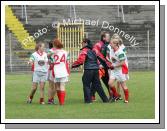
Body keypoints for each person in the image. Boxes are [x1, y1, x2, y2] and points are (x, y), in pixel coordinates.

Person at [72, 38, 109, 104]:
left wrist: (73, 65)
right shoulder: (94, 50)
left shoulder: (84, 50)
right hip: (96, 70)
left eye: (82, 43)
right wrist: (105, 65)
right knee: (98, 85)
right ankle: (105, 99)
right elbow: (99, 58)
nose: (82, 44)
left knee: (86, 85)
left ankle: (88, 101)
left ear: (86, 43)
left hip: (88, 70)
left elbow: (81, 60)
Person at [91, 32, 119, 101]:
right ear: (103, 38)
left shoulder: (109, 45)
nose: (109, 38)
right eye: (107, 36)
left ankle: (113, 95)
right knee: (96, 81)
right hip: (100, 67)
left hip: (106, 66)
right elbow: (95, 55)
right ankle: (92, 96)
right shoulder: (98, 45)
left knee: (107, 82)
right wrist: (98, 64)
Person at [48, 38, 70, 105]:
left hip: (56, 70)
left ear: (54, 44)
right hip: (63, 69)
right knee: (62, 86)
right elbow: (68, 61)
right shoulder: (65, 52)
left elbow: (48, 59)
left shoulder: (52, 51)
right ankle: (62, 102)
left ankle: (60, 101)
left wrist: (52, 53)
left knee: (57, 86)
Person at [107, 38, 129, 103]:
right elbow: (112, 60)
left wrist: (114, 65)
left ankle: (126, 99)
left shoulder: (120, 52)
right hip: (114, 71)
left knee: (123, 86)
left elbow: (122, 63)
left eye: (111, 43)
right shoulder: (111, 50)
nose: (110, 44)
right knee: (110, 83)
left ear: (115, 44)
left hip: (120, 71)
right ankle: (116, 95)